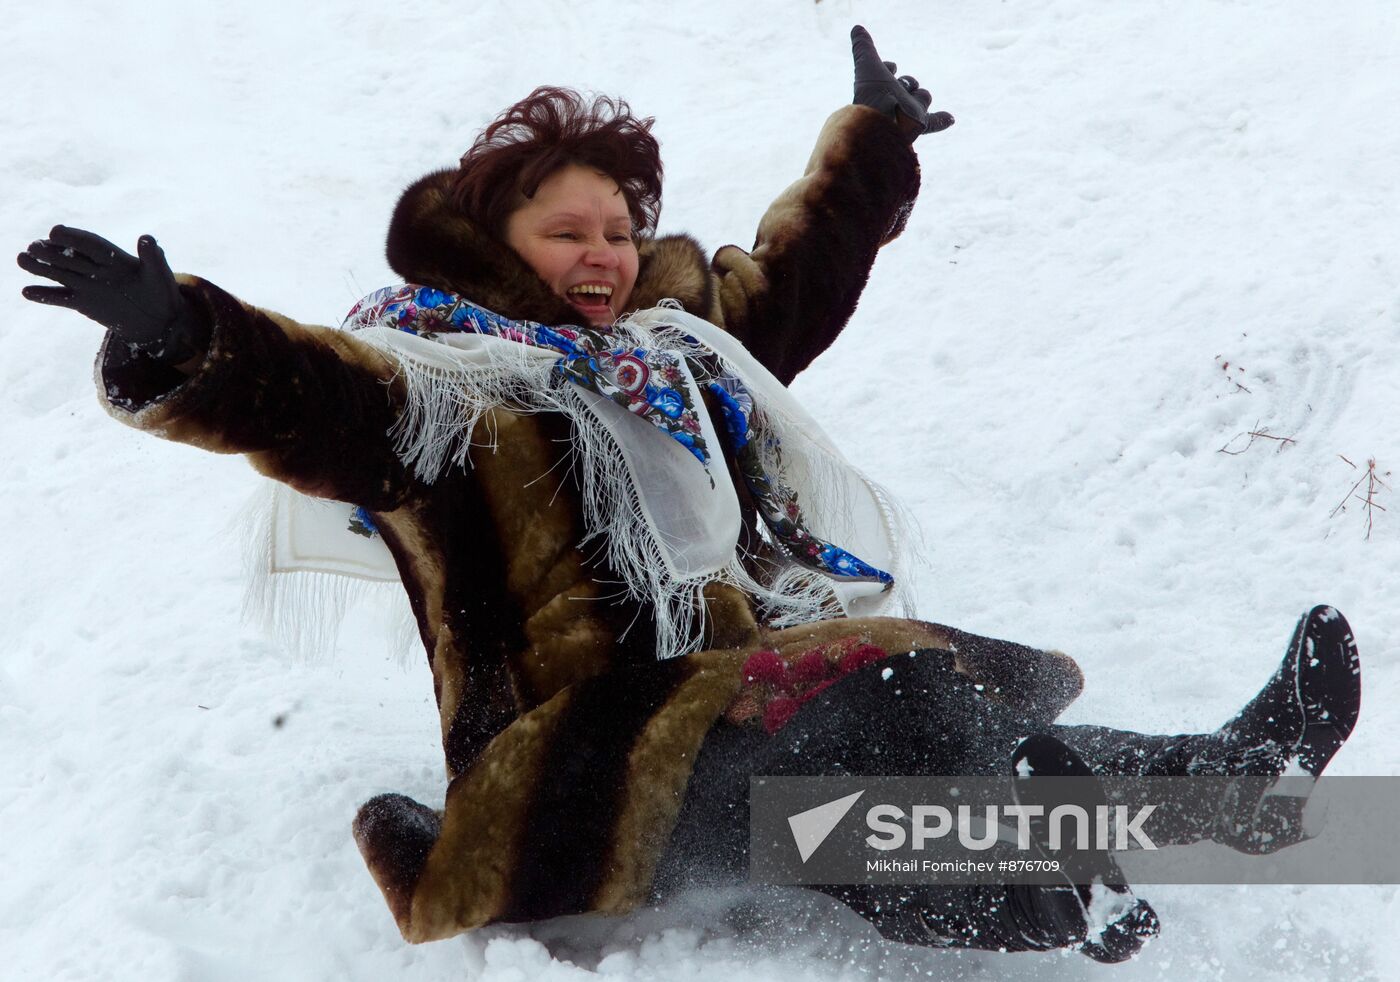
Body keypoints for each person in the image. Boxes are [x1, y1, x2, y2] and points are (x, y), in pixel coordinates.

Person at [16, 26, 1362, 963]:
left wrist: (875, 147)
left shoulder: (666, 358)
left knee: (919, 692)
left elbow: (787, 281)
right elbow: (302, 392)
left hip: (724, 699)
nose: (601, 256)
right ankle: (1031, 882)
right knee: (872, 701)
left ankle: (1219, 788)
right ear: (498, 246)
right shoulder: (435, 391)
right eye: (567, 234)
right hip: (573, 764)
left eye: (617, 230)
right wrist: (172, 335)